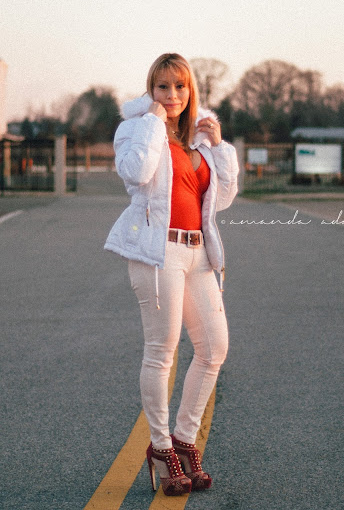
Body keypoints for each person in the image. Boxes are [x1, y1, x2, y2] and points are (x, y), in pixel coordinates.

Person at [104, 53, 239, 496]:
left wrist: (218, 148)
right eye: (163, 87)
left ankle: (184, 438)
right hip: (155, 252)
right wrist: (151, 123)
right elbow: (136, 173)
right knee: (161, 352)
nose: (173, 95)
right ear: (151, 91)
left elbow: (220, 201)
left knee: (214, 347)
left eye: (180, 87)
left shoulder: (197, 141)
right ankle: (161, 448)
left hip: (198, 253)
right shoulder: (136, 130)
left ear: (190, 90)